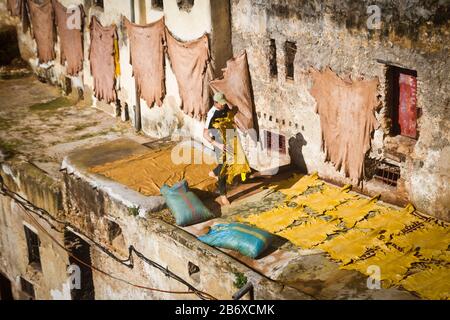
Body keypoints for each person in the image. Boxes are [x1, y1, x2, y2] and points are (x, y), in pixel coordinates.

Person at [203, 92, 234, 206]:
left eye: (224, 103)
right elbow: (205, 134)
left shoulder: (225, 108)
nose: (224, 105)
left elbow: (231, 115)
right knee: (223, 169)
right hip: (219, 143)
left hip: (228, 139)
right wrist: (217, 144)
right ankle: (223, 195)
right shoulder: (212, 114)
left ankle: (213, 172)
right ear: (215, 103)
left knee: (230, 162)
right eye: (221, 104)